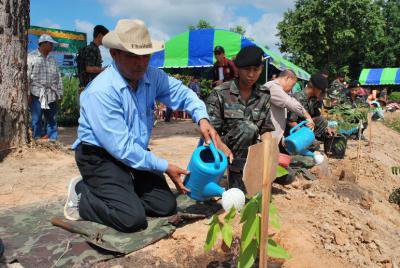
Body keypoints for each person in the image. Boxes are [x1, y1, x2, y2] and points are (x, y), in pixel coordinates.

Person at [64, 19, 232, 233]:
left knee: (165, 206)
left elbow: (184, 94)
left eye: (146, 56)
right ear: (114, 54)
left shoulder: (151, 76)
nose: (140, 63)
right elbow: (122, 149)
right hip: (100, 156)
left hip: (136, 151)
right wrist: (164, 166)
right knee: (131, 219)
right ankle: (84, 195)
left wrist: (202, 118)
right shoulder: (101, 91)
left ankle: (121, 191)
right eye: (132, 56)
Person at [206, 45, 275, 191]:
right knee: (248, 128)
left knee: (284, 174)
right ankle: (237, 181)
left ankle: (249, 175)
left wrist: (268, 150)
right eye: (247, 69)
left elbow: (266, 129)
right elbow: (210, 131)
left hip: (249, 151)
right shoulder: (220, 93)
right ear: (237, 69)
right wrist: (221, 147)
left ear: (261, 70)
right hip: (220, 147)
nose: (251, 74)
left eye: (256, 70)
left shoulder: (264, 94)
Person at [28, 34, 63, 141]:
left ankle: (53, 141)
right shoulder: (31, 57)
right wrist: (28, 94)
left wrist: (60, 93)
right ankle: (36, 140)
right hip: (36, 93)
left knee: (52, 119)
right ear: (43, 44)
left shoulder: (52, 59)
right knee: (36, 118)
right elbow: (27, 75)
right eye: (50, 43)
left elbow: (58, 77)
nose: (52, 46)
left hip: (51, 94)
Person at [265, 70, 315, 141]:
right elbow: (291, 103)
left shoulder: (280, 91)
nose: (291, 89)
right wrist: (308, 117)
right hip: (266, 139)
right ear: (287, 78)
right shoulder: (272, 86)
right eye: (293, 84)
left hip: (272, 138)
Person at [288, 73, 330, 141]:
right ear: (316, 88)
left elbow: (317, 116)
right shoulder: (298, 98)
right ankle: (305, 142)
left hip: (304, 126)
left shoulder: (312, 99)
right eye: (321, 90)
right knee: (314, 144)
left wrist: (327, 128)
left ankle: (311, 140)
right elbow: (291, 122)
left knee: (322, 120)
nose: (322, 93)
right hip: (294, 131)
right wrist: (304, 136)